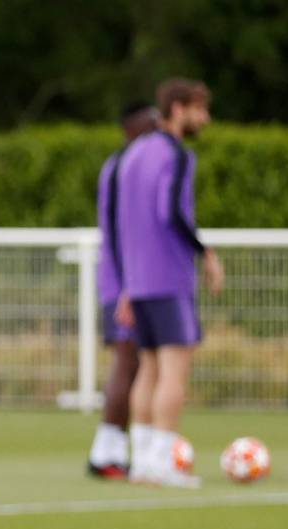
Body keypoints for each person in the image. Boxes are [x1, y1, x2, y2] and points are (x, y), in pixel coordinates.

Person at [115, 78, 224, 488]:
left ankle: (142, 461)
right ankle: (162, 461)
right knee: (174, 370)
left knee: (148, 367)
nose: (205, 119)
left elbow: (122, 221)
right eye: (199, 109)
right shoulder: (176, 154)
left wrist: (127, 281)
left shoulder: (133, 153)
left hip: (139, 278)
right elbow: (172, 212)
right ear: (178, 109)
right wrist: (205, 252)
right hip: (169, 276)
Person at [85, 101, 158, 479]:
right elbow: (119, 233)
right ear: (131, 127)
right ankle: (106, 451)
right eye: (150, 123)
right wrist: (128, 285)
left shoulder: (136, 164)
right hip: (122, 283)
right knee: (127, 361)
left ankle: (118, 448)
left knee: (140, 363)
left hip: (133, 279)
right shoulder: (122, 168)